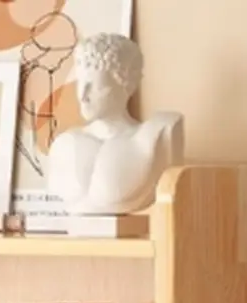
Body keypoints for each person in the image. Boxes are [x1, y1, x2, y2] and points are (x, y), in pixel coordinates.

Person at [46, 33, 184, 215]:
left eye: (96, 86)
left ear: (126, 84)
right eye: (81, 83)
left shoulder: (152, 136)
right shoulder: (64, 144)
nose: (82, 96)